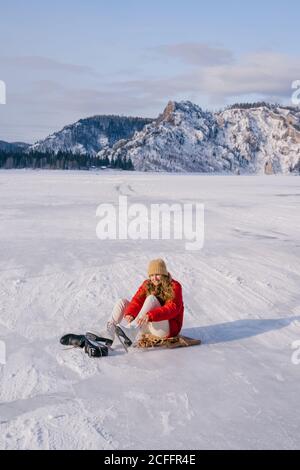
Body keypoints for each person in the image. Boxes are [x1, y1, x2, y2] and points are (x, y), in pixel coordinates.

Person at [60, 259, 184, 351]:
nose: (154, 278)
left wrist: (151, 315)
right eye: (151, 275)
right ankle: (109, 334)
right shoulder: (147, 284)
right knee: (123, 302)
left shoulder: (174, 286)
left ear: (163, 274)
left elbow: (173, 308)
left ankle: (131, 330)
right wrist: (130, 313)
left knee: (151, 299)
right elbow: (137, 300)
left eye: (157, 274)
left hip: (166, 329)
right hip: (146, 325)